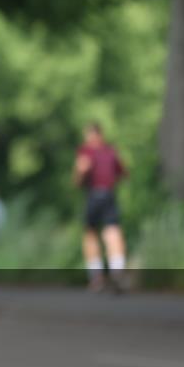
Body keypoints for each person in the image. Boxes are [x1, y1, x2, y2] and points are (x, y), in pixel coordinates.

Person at [73, 123, 127, 292]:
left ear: (91, 135)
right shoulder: (111, 151)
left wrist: (79, 177)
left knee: (90, 233)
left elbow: (80, 175)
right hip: (109, 194)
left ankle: (96, 276)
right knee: (113, 231)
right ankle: (117, 270)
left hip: (94, 195)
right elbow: (122, 173)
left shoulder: (86, 151)